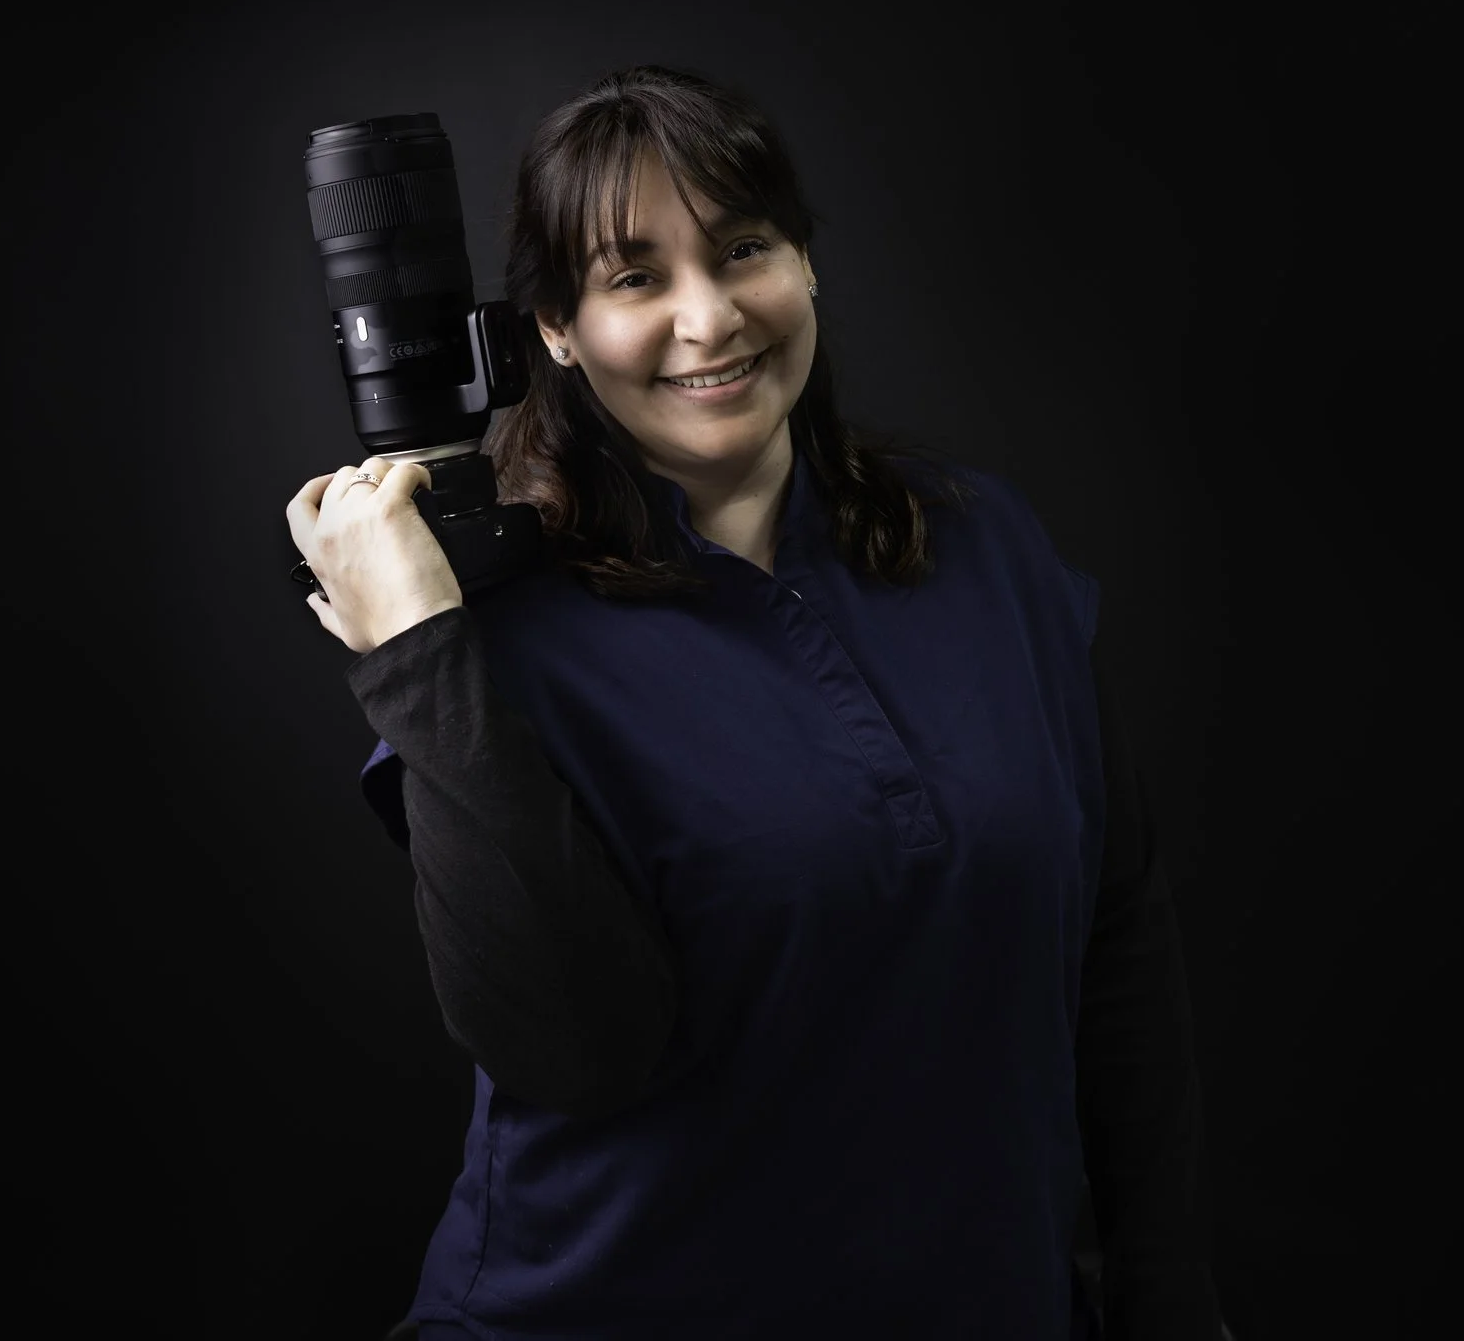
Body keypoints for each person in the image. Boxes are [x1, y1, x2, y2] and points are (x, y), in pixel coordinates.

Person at [284, 66, 1222, 1340]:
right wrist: (411, 651)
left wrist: (1169, 1308)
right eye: (634, 278)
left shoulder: (985, 547)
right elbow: (574, 1048)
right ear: (550, 327)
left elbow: (1117, 959)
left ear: (806, 264)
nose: (710, 316)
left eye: (742, 249)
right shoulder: (489, 635)